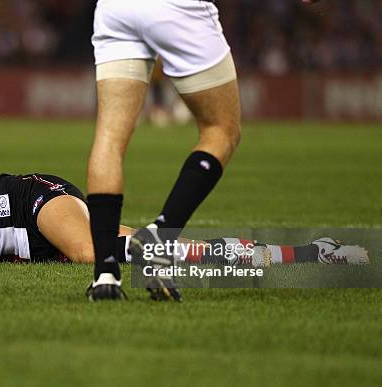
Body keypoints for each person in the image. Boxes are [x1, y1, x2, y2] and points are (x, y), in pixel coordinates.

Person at [85, 0, 323, 301]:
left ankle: (105, 275)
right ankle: (160, 236)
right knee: (222, 130)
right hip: (176, 8)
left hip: (115, 8)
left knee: (109, 136)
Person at [0, 170, 367, 276]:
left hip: (28, 202)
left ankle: (310, 255)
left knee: (95, 257)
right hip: (26, 241)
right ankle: (305, 254)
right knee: (145, 248)